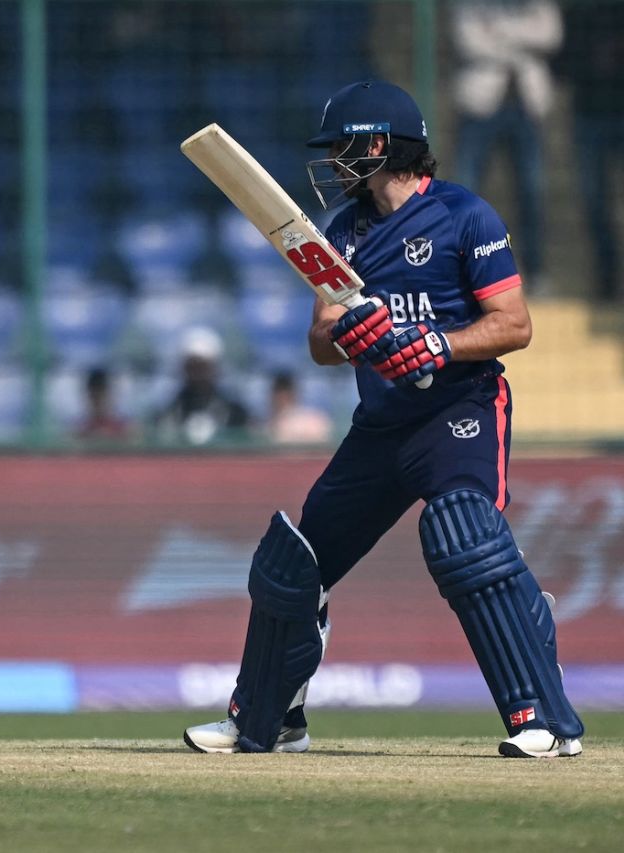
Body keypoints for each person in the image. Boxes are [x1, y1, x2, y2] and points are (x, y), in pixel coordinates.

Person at [184, 81, 583, 758]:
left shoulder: (465, 215)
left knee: (463, 538)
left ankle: (544, 721)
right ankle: (270, 718)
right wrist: (354, 335)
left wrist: (435, 343)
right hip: (381, 423)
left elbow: (514, 325)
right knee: (296, 564)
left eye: (344, 148)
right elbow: (320, 342)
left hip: (458, 409)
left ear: (378, 145)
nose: (334, 162)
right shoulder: (342, 231)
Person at [450, 1, 562, 291]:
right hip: (479, 105)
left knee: (531, 191)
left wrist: (499, 32)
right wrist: (523, 41)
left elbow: (551, 34)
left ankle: (537, 273)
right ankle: (461, 271)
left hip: (526, 106)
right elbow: (469, 41)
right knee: (468, 189)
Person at [560, 3, 624, 300]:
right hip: (589, 115)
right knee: (594, 204)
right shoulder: (581, 12)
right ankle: (606, 280)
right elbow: (562, 61)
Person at [154, 327, 251, 446]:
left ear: (215, 367)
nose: (198, 373)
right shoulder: (169, 413)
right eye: (193, 366)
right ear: (183, 367)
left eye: (203, 366)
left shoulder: (235, 413)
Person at [264, 371, 332, 445]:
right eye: (278, 397)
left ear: (292, 395)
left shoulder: (312, 420)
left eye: (284, 396)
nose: (281, 400)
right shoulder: (267, 425)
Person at [74, 366, 134, 442]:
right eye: (94, 397)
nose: (98, 402)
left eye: (101, 396)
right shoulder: (79, 430)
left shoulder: (126, 430)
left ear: (111, 395)